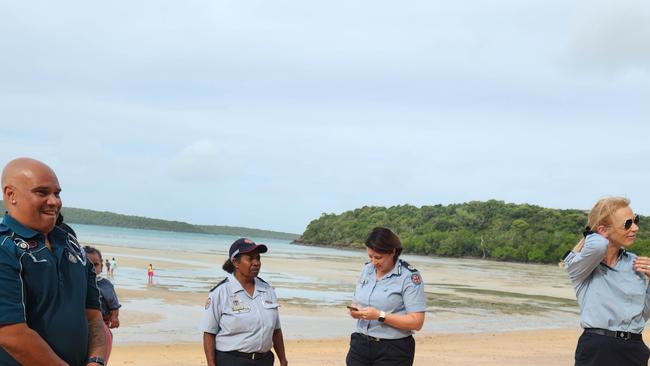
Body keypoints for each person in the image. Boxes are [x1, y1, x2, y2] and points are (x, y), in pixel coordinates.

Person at [0, 157, 106, 366]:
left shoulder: (71, 244)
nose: (54, 201)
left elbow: (93, 315)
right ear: (11, 195)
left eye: (57, 193)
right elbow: (10, 333)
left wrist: (96, 360)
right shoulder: (5, 247)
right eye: (42, 192)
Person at [564, 197, 648, 365]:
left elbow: (643, 314)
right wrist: (593, 231)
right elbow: (598, 246)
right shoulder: (580, 265)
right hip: (597, 350)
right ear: (602, 230)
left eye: (635, 220)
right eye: (628, 223)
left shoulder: (635, 264)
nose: (635, 228)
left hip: (634, 349)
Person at [200, 238, 288, 366]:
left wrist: (283, 360)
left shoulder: (267, 289)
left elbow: (276, 330)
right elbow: (209, 333)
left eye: (258, 258)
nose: (256, 263)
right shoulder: (220, 292)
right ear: (235, 262)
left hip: (264, 360)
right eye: (250, 258)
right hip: (231, 360)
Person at [346, 227, 426, 366]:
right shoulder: (367, 269)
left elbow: (416, 322)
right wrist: (355, 311)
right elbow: (357, 301)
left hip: (393, 350)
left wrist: (380, 316)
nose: (374, 262)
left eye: (378, 257)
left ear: (393, 252)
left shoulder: (409, 277)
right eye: (370, 256)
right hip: (360, 344)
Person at [84, 246, 122, 365]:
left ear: (101, 266)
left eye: (95, 265)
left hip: (101, 324)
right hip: (82, 324)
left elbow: (114, 304)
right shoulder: (76, 284)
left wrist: (114, 317)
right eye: (87, 264)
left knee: (99, 356)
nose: (91, 268)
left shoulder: (104, 284)